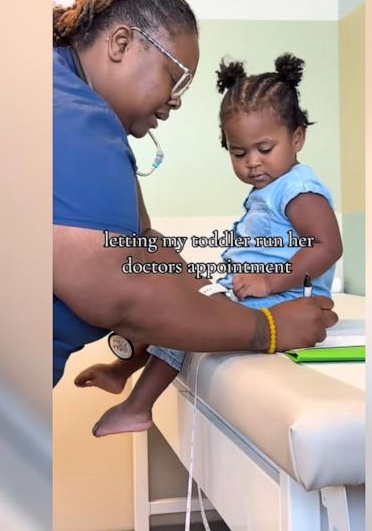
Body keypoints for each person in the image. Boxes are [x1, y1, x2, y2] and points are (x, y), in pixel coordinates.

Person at [53, 0, 338, 386]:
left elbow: (144, 240)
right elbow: (119, 294)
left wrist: (207, 295)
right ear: (121, 44)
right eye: (175, 75)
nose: (176, 100)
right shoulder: (71, 115)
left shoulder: (76, 106)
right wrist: (267, 329)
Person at [77, 54, 344, 437]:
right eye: (239, 153)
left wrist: (270, 282)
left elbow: (327, 246)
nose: (252, 162)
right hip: (253, 292)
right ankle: (123, 369)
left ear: (297, 137)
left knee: (192, 322)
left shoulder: (298, 190)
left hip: (282, 302)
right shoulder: (269, 190)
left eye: (264, 149)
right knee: (178, 306)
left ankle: (138, 405)